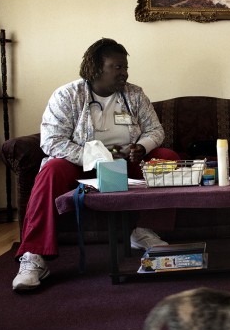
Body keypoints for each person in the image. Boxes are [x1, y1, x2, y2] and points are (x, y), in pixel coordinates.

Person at [12, 38, 180, 291]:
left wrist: (141, 147)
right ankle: (34, 256)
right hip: (80, 161)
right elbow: (51, 142)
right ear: (96, 68)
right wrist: (94, 157)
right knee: (50, 170)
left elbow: (155, 130)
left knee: (167, 158)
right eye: (118, 67)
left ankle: (143, 231)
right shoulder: (67, 95)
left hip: (124, 160)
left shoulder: (134, 94)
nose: (124, 73)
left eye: (126, 67)